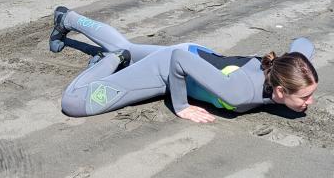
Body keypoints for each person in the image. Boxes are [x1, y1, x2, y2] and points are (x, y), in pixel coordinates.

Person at [50, 7, 317, 123]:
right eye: (306, 96)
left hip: (194, 53)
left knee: (130, 49)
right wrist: (181, 106)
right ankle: (112, 59)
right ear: (280, 91)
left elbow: (303, 43)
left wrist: (300, 60)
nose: (311, 101)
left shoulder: (284, 68)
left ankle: (68, 19)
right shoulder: (240, 91)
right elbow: (178, 61)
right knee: (74, 104)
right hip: (169, 67)